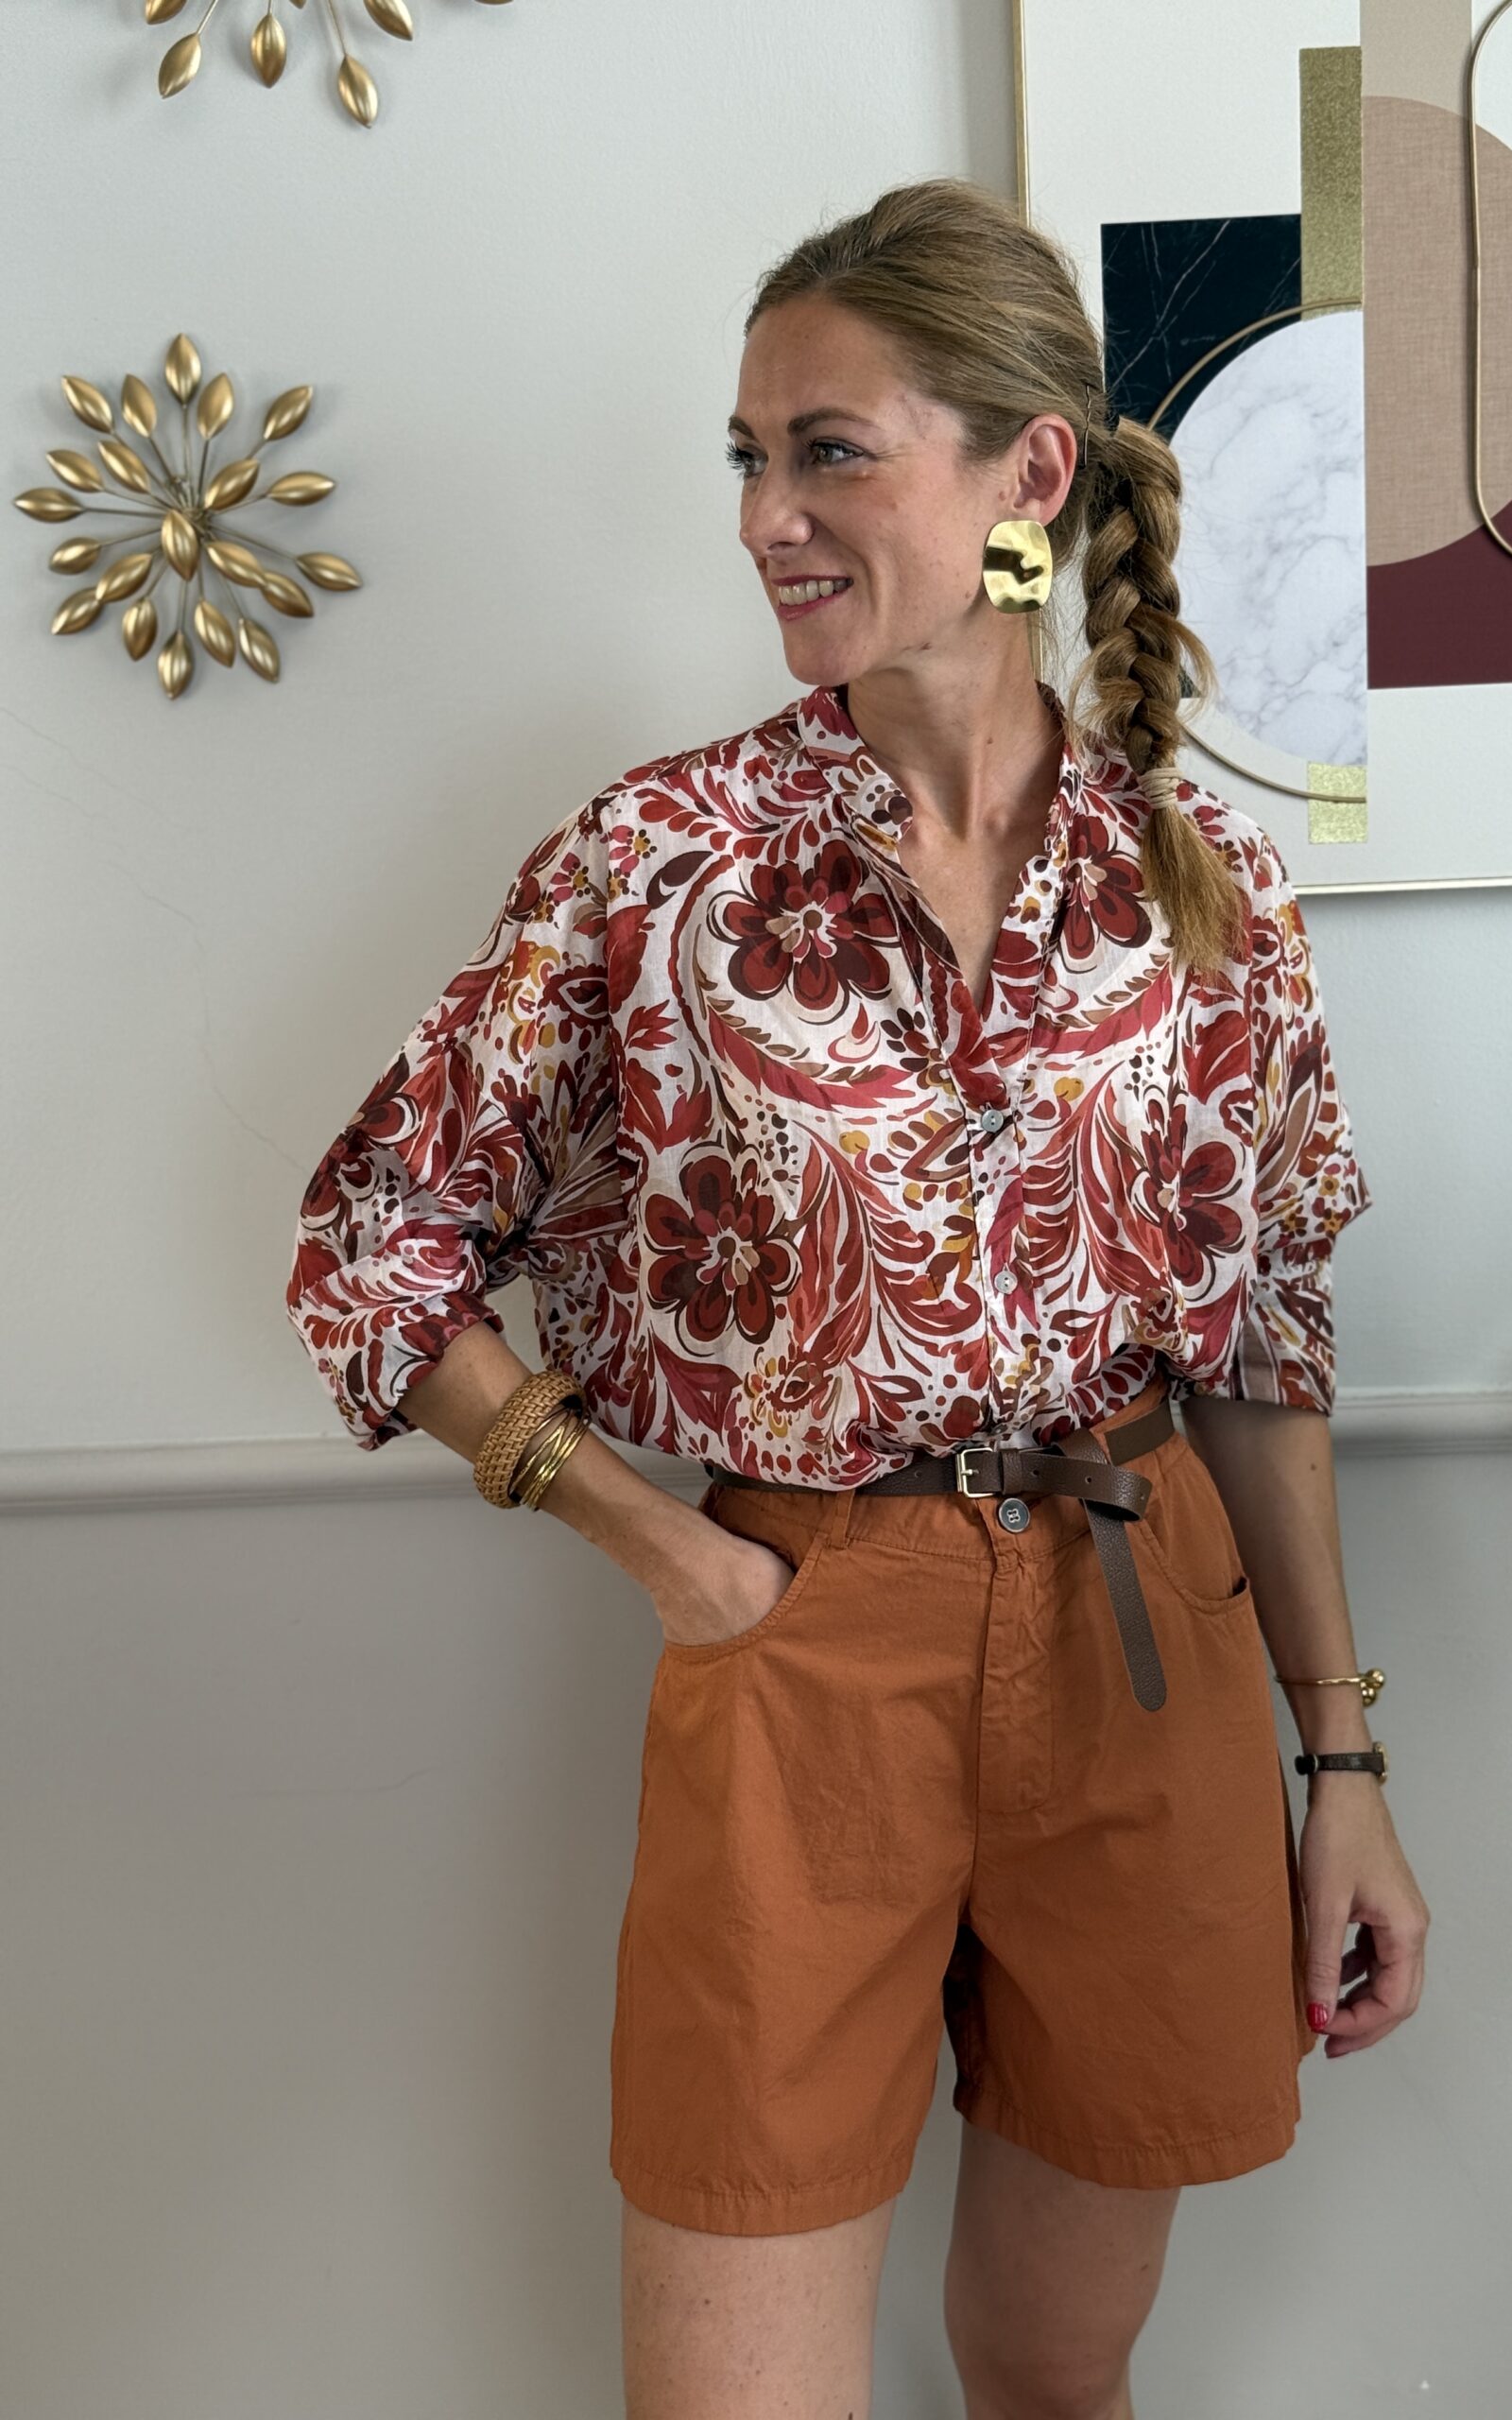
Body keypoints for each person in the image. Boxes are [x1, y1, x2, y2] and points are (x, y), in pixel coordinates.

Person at [285, 176, 1429, 2420]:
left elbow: (1264, 1343)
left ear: (1027, 476)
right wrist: (671, 1549)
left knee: (1055, 2369)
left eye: (829, 450)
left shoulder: (1206, 886)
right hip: (804, 1639)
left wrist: (1348, 1756)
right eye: (748, 456)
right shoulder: (656, 865)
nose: (763, 517)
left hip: (1146, 1636)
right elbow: (372, 1242)